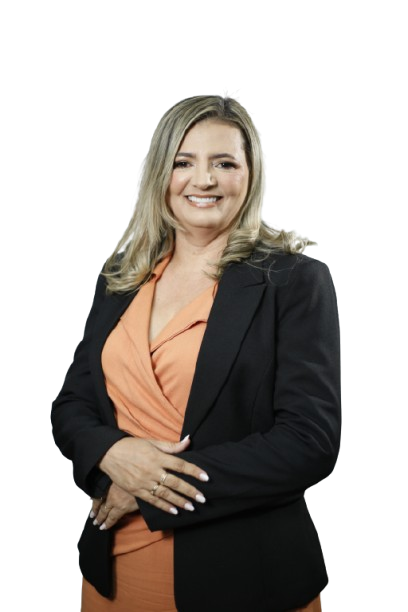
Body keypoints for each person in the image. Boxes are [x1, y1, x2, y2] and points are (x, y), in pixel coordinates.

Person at [51, 91, 341, 612]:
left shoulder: (294, 281)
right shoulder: (122, 277)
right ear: (160, 173)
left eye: (224, 163)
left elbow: (309, 442)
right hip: (112, 573)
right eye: (184, 162)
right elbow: (72, 405)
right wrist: (112, 455)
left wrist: (148, 486)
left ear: (250, 176)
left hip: (243, 579)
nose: (203, 180)